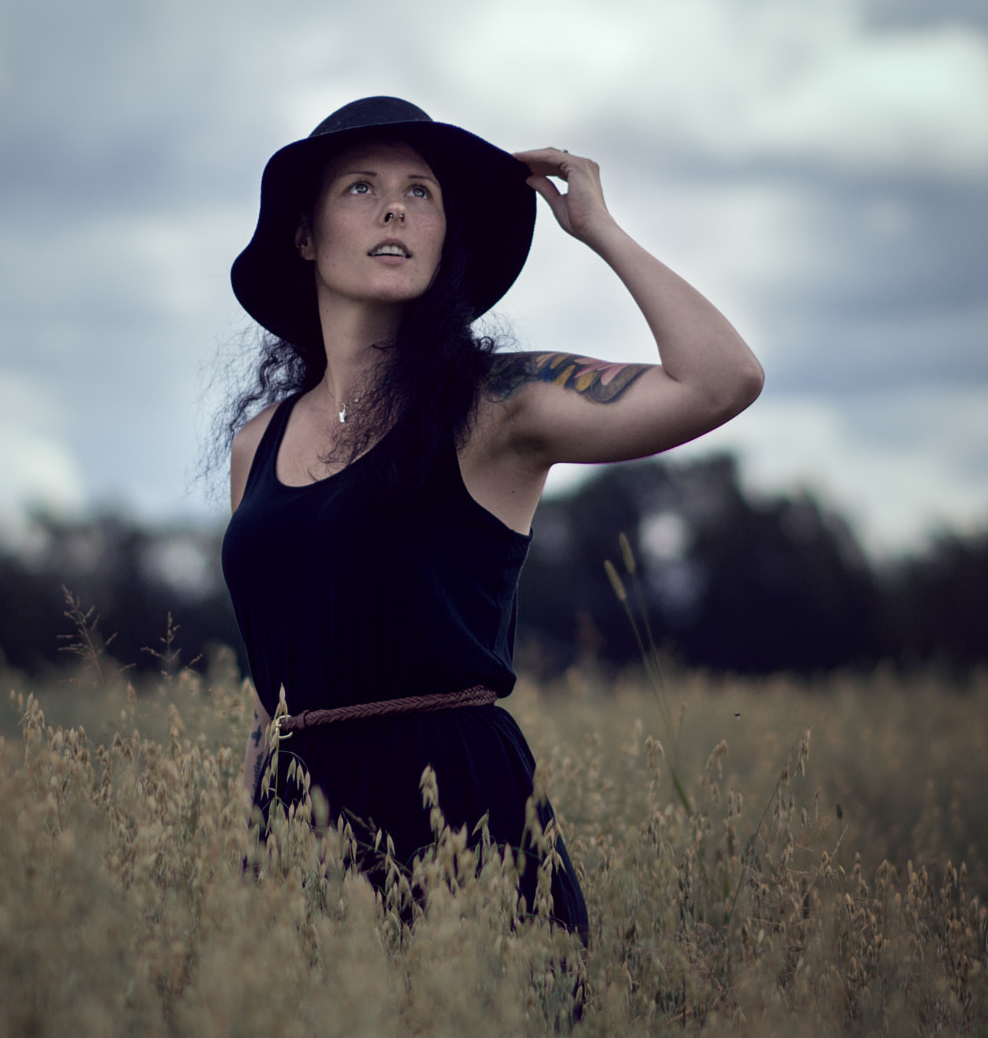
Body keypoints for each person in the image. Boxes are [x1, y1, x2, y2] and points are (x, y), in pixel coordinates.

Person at [220, 96, 763, 939]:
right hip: (300, 830)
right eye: (360, 189)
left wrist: (602, 232)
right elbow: (269, 692)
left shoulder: (493, 408)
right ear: (304, 235)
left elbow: (721, 379)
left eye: (421, 193)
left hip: (462, 821)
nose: (395, 207)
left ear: (446, 236)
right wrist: (245, 851)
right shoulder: (260, 443)